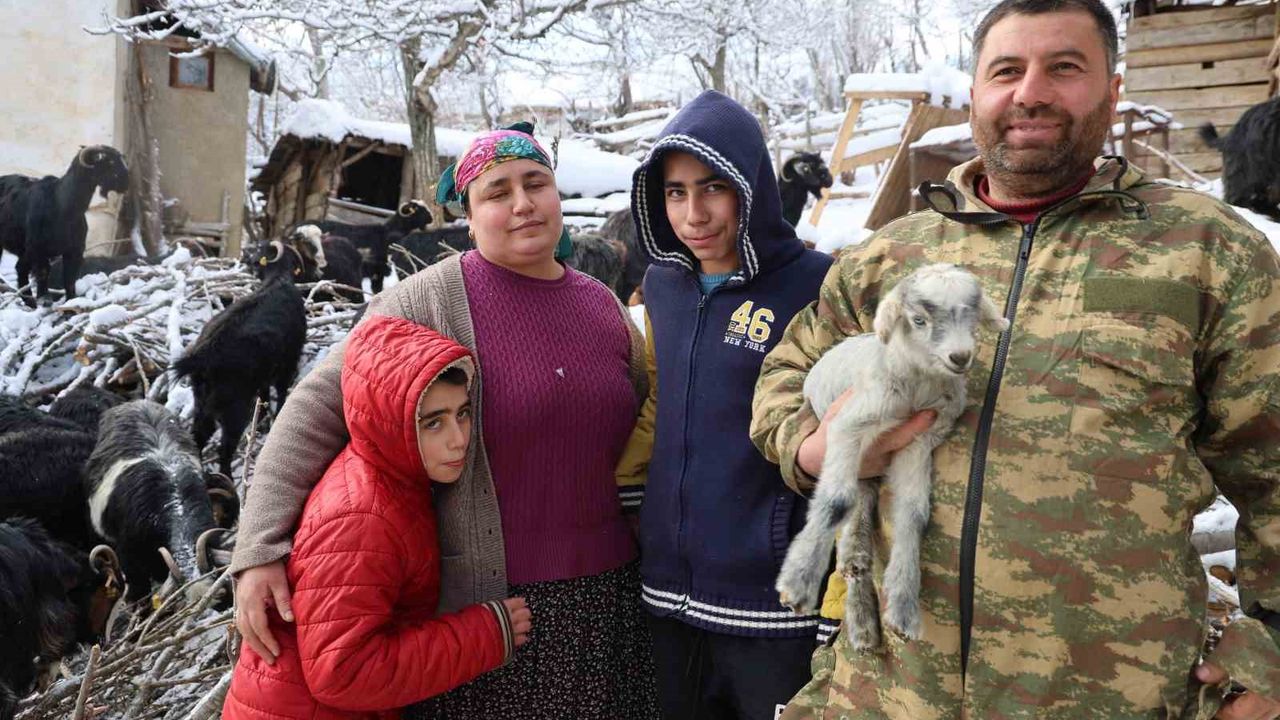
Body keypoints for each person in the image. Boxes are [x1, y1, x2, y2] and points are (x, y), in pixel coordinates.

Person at [749, 1, 1280, 718]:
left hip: (1110, 695)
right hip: (891, 695)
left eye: (1064, 67)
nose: (1030, 91)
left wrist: (1267, 654)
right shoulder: (889, 255)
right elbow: (785, 375)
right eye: (1007, 70)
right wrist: (812, 450)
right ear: (975, 94)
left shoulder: (1206, 253)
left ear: (1112, 90)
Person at [228, 124, 659, 719]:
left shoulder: (601, 306)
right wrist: (258, 548)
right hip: (490, 613)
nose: (523, 203)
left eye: (537, 183)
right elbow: (314, 411)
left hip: (607, 605)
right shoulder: (426, 303)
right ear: (468, 212)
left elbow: (636, 426)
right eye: (497, 191)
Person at [615, 90, 833, 720]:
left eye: (713, 187)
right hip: (667, 587)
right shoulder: (664, 285)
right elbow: (659, 398)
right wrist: (634, 498)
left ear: (752, 187)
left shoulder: (813, 284)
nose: (694, 213)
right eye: (676, 192)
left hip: (769, 594)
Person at [222, 317, 532, 719]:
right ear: (388, 421)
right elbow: (342, 672)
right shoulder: (362, 516)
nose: (459, 438)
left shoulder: (394, 481)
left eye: (463, 413)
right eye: (433, 422)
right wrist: (486, 633)